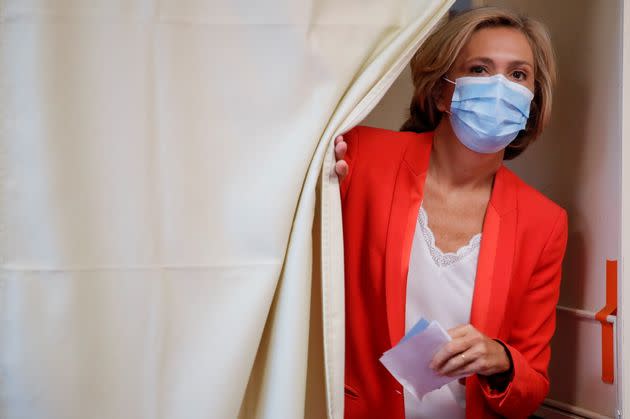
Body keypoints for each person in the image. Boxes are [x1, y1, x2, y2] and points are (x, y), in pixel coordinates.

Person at [334, 7, 567, 419]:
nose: (500, 87)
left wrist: (501, 360)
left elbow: (530, 388)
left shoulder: (543, 222)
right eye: (479, 69)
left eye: (518, 75)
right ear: (442, 92)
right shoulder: (361, 157)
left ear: (532, 101)